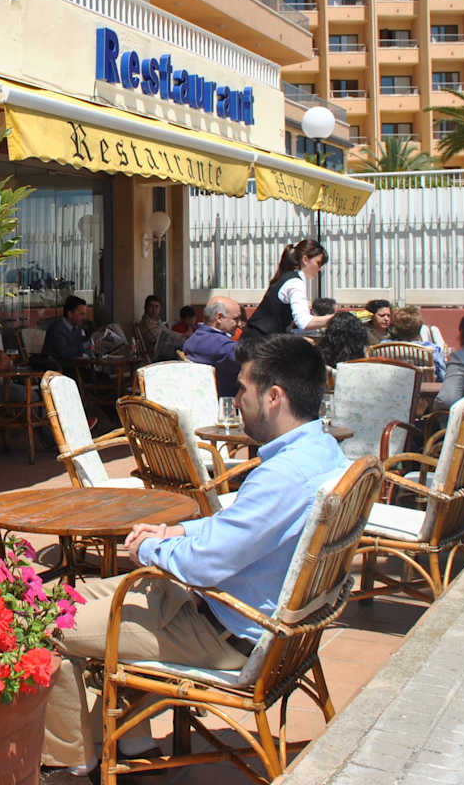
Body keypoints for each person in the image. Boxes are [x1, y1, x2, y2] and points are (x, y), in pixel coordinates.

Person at [41, 335, 349, 773]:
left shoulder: (284, 475)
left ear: (274, 397)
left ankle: (72, 766)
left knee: (45, 625)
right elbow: (238, 528)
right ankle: (132, 743)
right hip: (248, 621)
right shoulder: (323, 453)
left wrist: (150, 547)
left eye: (242, 388)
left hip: (225, 634)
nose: (236, 401)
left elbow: (202, 564)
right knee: (66, 598)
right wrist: (178, 529)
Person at [243, 240, 334, 342]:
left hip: (255, 339)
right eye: (318, 263)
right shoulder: (295, 283)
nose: (319, 269)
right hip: (259, 342)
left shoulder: (288, 277)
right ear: (305, 259)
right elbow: (304, 322)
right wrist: (335, 318)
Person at [183, 298, 245, 396]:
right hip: (226, 400)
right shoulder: (222, 347)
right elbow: (254, 360)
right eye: (235, 319)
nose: (239, 324)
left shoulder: (194, 339)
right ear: (219, 317)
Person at [388, 304, 446, 381]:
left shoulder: (383, 347)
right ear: (420, 327)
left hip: (394, 387)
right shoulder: (431, 350)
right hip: (424, 388)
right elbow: (443, 376)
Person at [43, 295, 94, 372]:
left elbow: (78, 347)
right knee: (100, 377)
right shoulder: (57, 328)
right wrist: (85, 346)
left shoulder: (77, 327)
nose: (84, 317)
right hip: (59, 371)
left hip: (75, 368)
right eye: (81, 314)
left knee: (103, 376)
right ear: (70, 314)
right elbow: (64, 353)